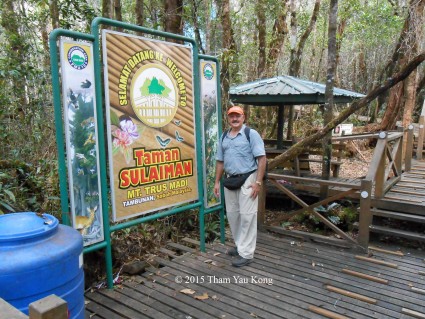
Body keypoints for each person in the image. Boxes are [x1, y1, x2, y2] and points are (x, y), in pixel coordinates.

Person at [214, 105, 266, 267]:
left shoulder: (251, 134)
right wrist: (217, 181)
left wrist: (258, 182)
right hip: (230, 180)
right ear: (228, 119)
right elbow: (220, 161)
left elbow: (262, 159)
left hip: (248, 178)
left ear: (243, 118)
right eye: (232, 116)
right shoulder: (224, 137)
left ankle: (247, 254)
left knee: (247, 216)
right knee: (233, 215)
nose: (234, 119)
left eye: (238, 116)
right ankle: (239, 245)